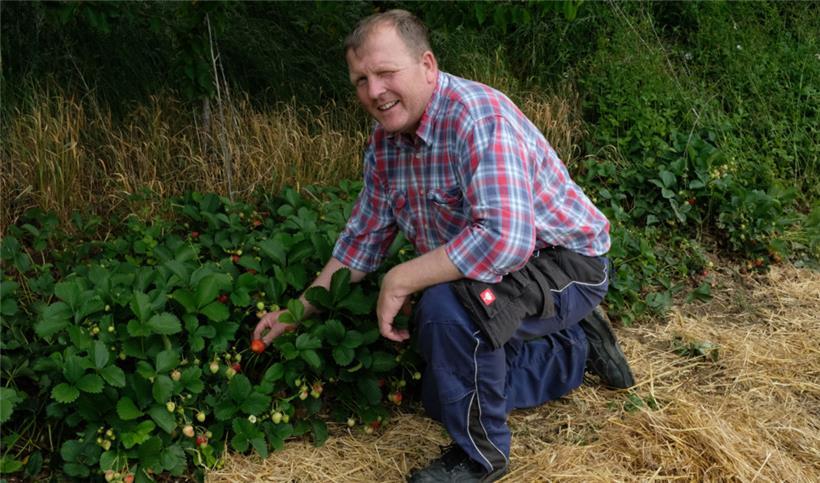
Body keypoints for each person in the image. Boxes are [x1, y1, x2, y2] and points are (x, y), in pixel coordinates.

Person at [254, 9, 634, 482]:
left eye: (386, 72)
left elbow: (505, 240)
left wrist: (401, 277)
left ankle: (481, 457)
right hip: (496, 280)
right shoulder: (385, 146)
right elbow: (359, 246)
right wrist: (294, 313)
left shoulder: (478, 118)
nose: (374, 91)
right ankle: (575, 346)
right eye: (361, 80)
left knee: (445, 309)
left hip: (565, 263)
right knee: (442, 394)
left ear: (428, 66)